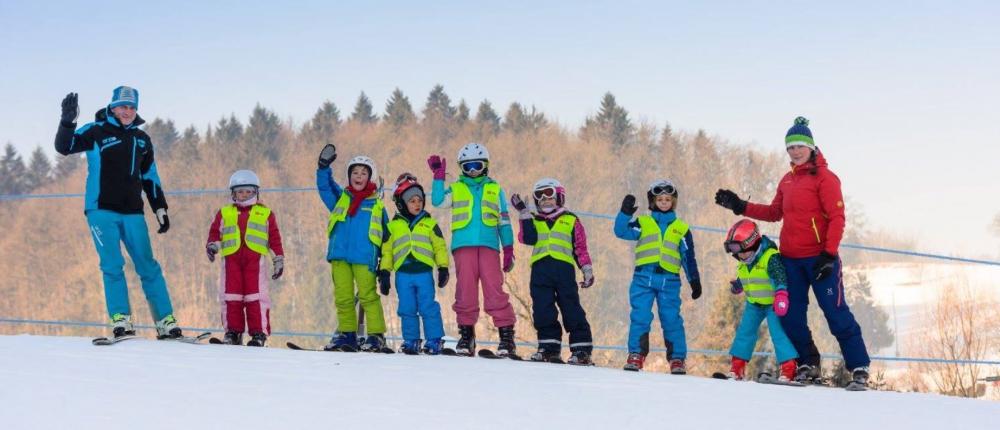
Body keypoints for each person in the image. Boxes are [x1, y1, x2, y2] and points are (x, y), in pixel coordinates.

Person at [715, 116, 871, 387]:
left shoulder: (826, 178)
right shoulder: (787, 181)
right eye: (790, 148)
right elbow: (775, 213)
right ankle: (808, 363)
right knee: (789, 314)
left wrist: (829, 253)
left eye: (800, 146)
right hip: (790, 260)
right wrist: (741, 206)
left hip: (821, 260)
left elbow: (837, 218)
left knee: (835, 313)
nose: (795, 152)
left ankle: (859, 366)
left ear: (811, 146)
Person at [54, 87, 184, 340]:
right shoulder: (95, 131)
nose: (127, 111)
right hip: (101, 210)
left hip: (134, 213)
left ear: (136, 110)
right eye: (122, 106)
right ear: (112, 107)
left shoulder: (142, 139)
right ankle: (121, 321)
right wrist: (67, 122)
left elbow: (150, 176)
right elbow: (64, 146)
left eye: (131, 107)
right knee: (113, 266)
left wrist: (160, 207)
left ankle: (166, 322)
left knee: (149, 266)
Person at [427, 143, 517, 357]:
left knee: (494, 289)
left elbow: (504, 221)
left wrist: (508, 248)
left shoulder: (495, 189)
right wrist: (439, 178)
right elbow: (438, 201)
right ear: (461, 168)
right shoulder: (457, 189)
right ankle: (467, 336)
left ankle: (506, 338)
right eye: (468, 167)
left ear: (486, 165)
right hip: (463, 247)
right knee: (465, 290)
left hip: (488, 247)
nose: (473, 171)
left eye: (477, 165)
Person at [614, 179, 702, 373]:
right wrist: (625, 213)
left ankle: (677, 358)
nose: (663, 202)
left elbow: (688, 257)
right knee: (640, 316)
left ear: (673, 201)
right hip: (643, 279)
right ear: (653, 201)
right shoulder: (644, 223)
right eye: (659, 199)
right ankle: (636, 354)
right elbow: (621, 231)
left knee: (671, 319)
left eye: (667, 199)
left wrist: (694, 281)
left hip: (669, 281)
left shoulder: (681, 228)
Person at [512, 178, 596, 365]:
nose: (545, 201)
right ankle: (549, 348)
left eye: (549, 197)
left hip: (564, 271)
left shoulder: (571, 220)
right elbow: (527, 238)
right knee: (542, 309)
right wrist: (524, 213)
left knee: (571, 308)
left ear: (559, 197)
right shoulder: (534, 220)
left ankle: (581, 349)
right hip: (541, 271)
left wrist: (587, 270)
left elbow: (580, 248)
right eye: (540, 199)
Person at [316, 145, 390, 352]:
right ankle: (347, 334)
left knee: (368, 296)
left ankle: (376, 335)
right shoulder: (341, 199)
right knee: (343, 297)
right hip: (340, 256)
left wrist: (384, 268)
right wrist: (323, 168)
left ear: (370, 176)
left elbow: (387, 237)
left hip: (364, 258)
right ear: (349, 176)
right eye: (355, 172)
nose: (359, 176)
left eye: (364, 173)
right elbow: (325, 187)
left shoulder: (376, 205)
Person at [205, 170, 285, 347]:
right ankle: (233, 332)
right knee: (230, 297)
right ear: (233, 193)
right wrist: (212, 246)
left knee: (256, 297)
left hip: (254, 262)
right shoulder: (224, 213)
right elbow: (215, 234)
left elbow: (274, 238)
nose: (244, 195)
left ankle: (258, 333)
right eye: (240, 191)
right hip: (231, 261)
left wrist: (278, 259)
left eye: (248, 191)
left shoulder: (265, 213)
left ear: (256, 192)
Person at [377, 173, 450, 355]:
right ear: (401, 203)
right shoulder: (393, 227)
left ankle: (434, 340)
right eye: (412, 201)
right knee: (407, 308)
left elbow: (439, 246)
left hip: (424, 273)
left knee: (428, 306)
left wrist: (443, 267)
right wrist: (384, 273)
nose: (417, 204)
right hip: (403, 275)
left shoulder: (429, 224)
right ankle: (411, 341)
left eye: (419, 200)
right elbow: (387, 251)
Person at [722, 219, 797, 381]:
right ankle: (737, 367)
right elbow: (747, 277)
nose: (739, 255)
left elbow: (780, 276)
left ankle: (789, 368)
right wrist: (738, 286)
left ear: (752, 243)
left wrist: (782, 295)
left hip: (772, 304)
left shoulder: (770, 257)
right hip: (754, 304)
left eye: (741, 250)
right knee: (745, 332)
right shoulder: (744, 261)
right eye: (735, 252)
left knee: (778, 333)